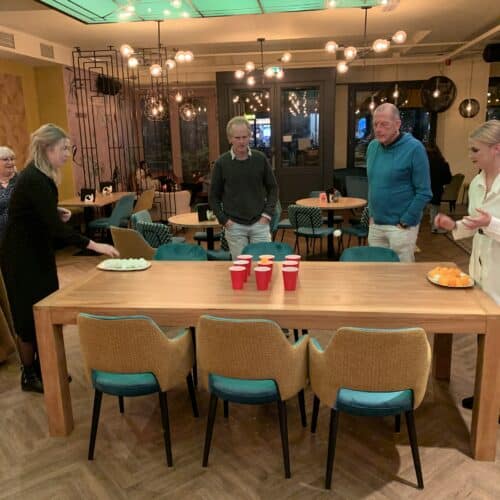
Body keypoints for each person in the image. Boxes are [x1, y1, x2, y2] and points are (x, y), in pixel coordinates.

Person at [0, 124, 119, 393]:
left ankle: (44, 368)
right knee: (28, 317)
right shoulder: (33, 178)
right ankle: (29, 375)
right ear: (47, 148)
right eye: (63, 148)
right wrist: (95, 245)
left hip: (36, 254)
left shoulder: (39, 177)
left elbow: (37, 213)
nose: (67, 154)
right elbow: (53, 228)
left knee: (44, 309)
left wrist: (54, 212)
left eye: (68, 148)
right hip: (21, 259)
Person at [366, 103, 432, 262]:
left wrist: (405, 221)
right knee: (376, 273)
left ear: (397, 124)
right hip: (376, 225)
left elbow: (424, 192)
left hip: (401, 227)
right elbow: (373, 184)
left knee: (401, 274)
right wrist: (371, 215)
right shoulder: (372, 147)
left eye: (384, 124)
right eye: (375, 124)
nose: (378, 129)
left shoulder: (414, 148)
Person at [209, 116, 278, 259]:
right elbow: (213, 197)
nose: (241, 141)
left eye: (245, 137)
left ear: (250, 136)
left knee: (264, 264)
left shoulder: (260, 159)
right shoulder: (221, 163)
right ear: (230, 139)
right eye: (237, 138)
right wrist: (224, 220)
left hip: (260, 223)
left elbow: (273, 188)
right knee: (242, 267)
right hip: (234, 226)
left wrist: (267, 215)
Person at [426, 143, 452, 233]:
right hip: (436, 190)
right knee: (434, 209)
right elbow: (448, 179)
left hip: (422, 190)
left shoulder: (421, 163)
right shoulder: (443, 163)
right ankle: (435, 227)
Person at [0, 147, 18, 245]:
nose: (10, 162)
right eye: (5, 159)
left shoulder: (22, 180)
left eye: (12, 159)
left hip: (20, 233)